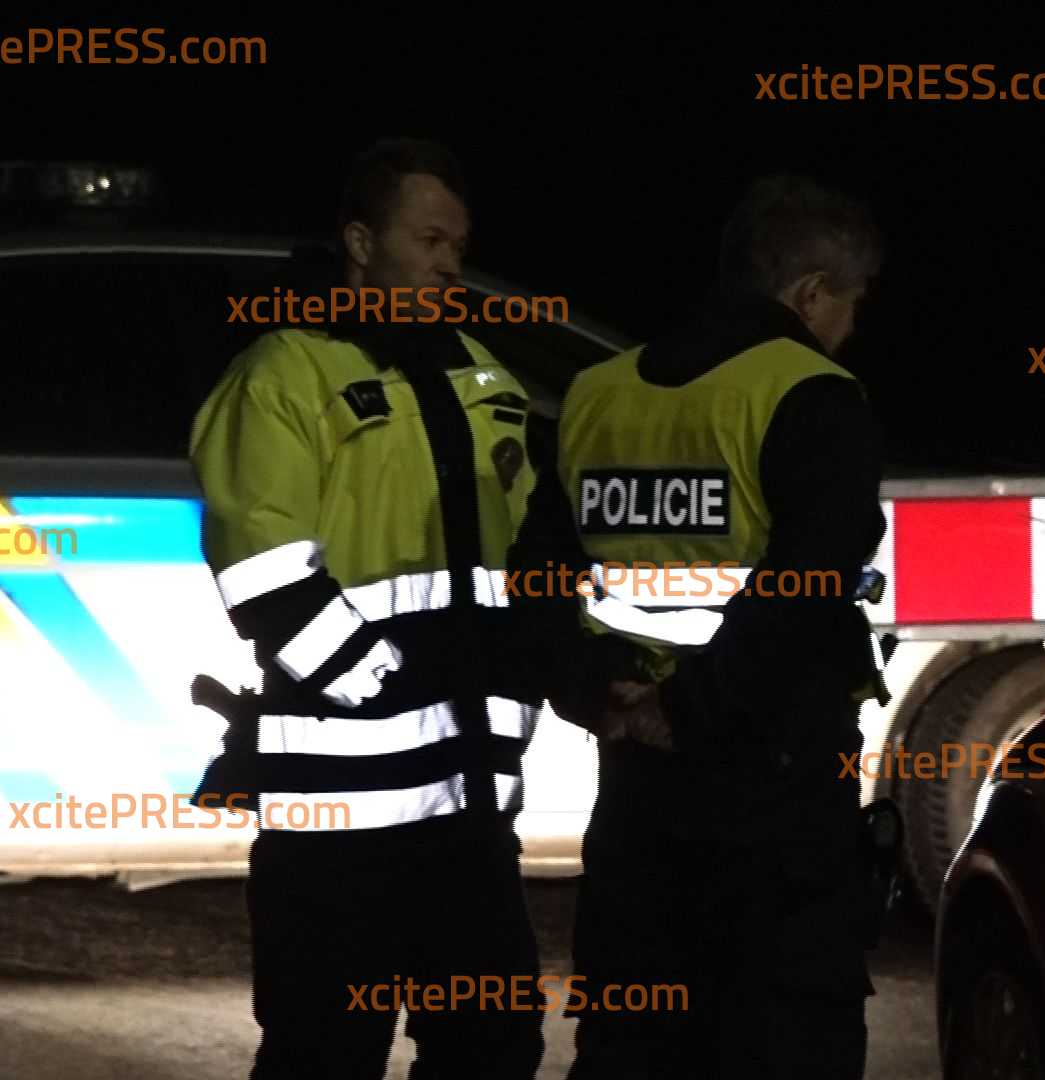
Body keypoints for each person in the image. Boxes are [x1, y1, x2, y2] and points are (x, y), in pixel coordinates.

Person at [189, 137, 635, 1079]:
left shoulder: (483, 377)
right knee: (323, 1056)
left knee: (493, 1046)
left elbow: (529, 561)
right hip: (332, 823)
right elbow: (264, 569)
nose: (449, 264)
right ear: (361, 242)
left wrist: (562, 666)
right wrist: (394, 682)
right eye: (429, 241)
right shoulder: (283, 374)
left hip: (468, 807)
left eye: (458, 246)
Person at [557, 173, 889, 1079]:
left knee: (633, 1043)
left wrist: (594, 691)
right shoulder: (815, 392)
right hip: (772, 801)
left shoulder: (597, 391)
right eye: (852, 302)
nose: (850, 325)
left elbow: (537, 574)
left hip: (634, 794)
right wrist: (688, 710)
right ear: (811, 293)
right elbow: (803, 593)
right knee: (783, 1042)